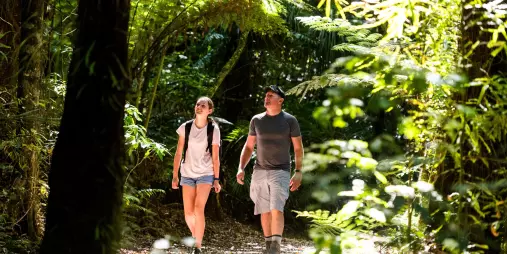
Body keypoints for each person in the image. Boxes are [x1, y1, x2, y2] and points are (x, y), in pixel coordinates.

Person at [236, 85, 304, 254]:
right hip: (259, 170)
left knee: (276, 208)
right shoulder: (256, 120)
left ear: (280, 100)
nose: (266, 98)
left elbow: (298, 148)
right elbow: (249, 146)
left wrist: (298, 171)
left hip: (281, 170)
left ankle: (276, 247)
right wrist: (241, 167)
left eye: (270, 95)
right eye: (266, 95)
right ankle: (268, 247)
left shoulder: (290, 120)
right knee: (264, 210)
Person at [172, 96, 221, 254]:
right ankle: (196, 237)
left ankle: (197, 247)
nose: (199, 107)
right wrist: (175, 175)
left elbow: (215, 157)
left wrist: (216, 179)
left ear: (210, 110)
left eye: (203, 105)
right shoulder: (185, 127)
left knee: (198, 209)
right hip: (187, 173)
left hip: (205, 174)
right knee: (188, 213)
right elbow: (178, 152)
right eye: (197, 104)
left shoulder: (213, 129)